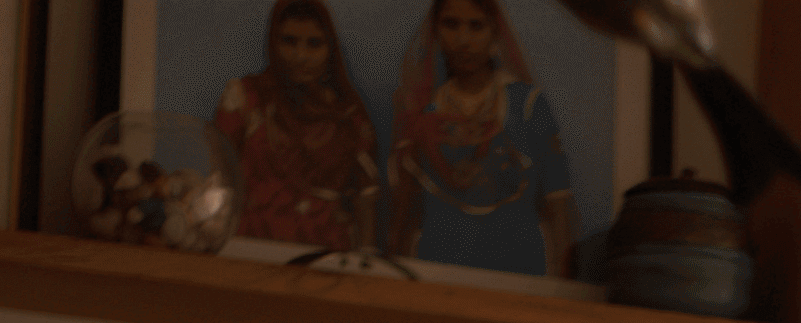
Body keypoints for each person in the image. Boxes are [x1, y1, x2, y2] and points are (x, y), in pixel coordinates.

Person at [388, 0, 575, 280]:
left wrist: (561, 283)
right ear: (435, 31)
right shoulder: (422, 112)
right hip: (438, 274)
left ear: (495, 32)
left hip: (518, 273)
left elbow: (558, 202)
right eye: (451, 24)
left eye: (476, 26)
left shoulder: (527, 106)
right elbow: (406, 216)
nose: (463, 40)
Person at [210, 0, 382, 257]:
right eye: (289, 42)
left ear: (330, 49)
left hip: (326, 255)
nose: (300, 56)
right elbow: (219, 178)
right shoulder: (246, 99)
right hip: (251, 249)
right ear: (273, 42)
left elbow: (366, 196)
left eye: (314, 44)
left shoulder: (347, 115)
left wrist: (366, 260)